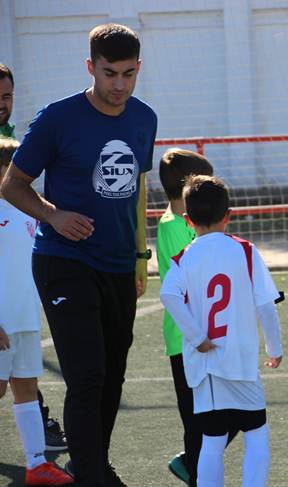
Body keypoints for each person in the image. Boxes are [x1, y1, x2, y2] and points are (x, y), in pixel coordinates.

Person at [0, 24, 157, 486]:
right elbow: (12, 185)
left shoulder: (144, 118)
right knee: (87, 374)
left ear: (138, 68)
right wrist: (53, 215)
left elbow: (138, 187)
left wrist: (139, 256)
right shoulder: (57, 118)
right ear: (91, 67)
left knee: (112, 376)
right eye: (109, 73)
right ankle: (90, 475)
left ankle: (92, 463)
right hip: (63, 261)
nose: (119, 84)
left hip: (118, 264)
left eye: (128, 74)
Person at [160, 175, 282, 487]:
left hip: (207, 364)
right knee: (257, 433)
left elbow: (168, 295)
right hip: (241, 361)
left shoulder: (184, 257)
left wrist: (197, 337)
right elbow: (266, 306)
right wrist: (274, 348)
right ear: (228, 216)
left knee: (212, 441)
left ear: (188, 220)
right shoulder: (245, 251)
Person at [0, 61, 68, 452]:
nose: (3, 103)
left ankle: (38, 444)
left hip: (17, 295)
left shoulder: (12, 137)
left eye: (7, 96)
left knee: (23, 376)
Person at [0, 137, 73, 486]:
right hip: (1, 321)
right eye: (13, 168)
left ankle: (36, 465)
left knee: (26, 388)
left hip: (25, 317)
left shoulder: (34, 210)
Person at [155, 148, 218, 485]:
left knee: (220, 413)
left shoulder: (185, 223)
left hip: (204, 332)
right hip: (188, 337)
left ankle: (193, 463)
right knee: (198, 419)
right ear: (188, 188)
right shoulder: (175, 227)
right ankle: (194, 467)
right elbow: (194, 280)